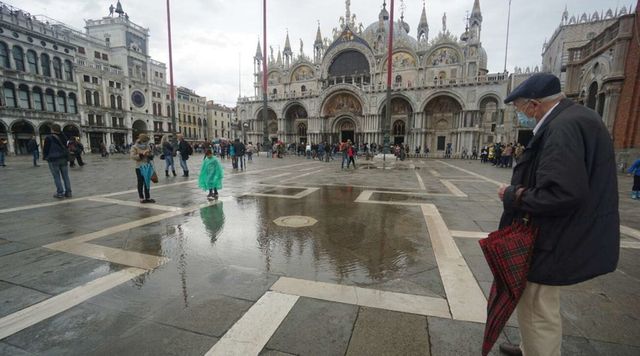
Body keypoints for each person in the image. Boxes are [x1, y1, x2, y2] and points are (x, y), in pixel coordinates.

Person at [498, 73, 619, 356]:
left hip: (552, 235)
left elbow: (562, 193)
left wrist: (513, 195)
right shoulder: (578, 118)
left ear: (534, 105)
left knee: (537, 305)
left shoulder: (561, 128)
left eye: (520, 109)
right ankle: (530, 348)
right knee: (540, 303)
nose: (521, 115)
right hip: (567, 229)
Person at [42, 124, 72, 198]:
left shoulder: (48, 138)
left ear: (52, 129)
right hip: (63, 159)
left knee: (56, 177)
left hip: (53, 159)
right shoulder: (64, 137)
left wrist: (45, 157)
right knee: (66, 177)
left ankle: (60, 193)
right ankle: (68, 192)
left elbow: (46, 149)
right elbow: (67, 146)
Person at [130, 134, 155, 203]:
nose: (147, 142)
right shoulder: (134, 147)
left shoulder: (148, 146)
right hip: (139, 167)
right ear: (142, 140)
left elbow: (151, 155)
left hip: (147, 166)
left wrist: (150, 155)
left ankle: (148, 197)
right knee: (140, 182)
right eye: (146, 141)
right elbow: (132, 156)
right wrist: (141, 154)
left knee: (147, 182)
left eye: (147, 141)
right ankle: (141, 198)